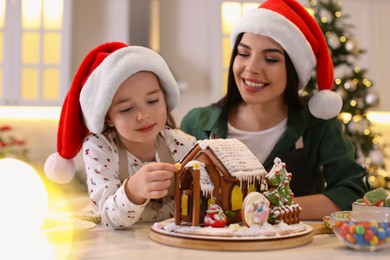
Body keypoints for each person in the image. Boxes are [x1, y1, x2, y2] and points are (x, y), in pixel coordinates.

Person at [180, 0, 369, 220]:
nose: (251, 68)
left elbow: (353, 193)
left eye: (270, 59)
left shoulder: (318, 126)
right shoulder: (196, 124)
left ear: (294, 69)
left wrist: (266, 209)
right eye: (243, 53)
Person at [44, 42, 196, 229]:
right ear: (108, 117)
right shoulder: (99, 148)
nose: (144, 115)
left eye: (152, 100)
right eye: (127, 109)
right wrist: (133, 190)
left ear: (165, 98)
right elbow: (109, 218)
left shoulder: (183, 144)